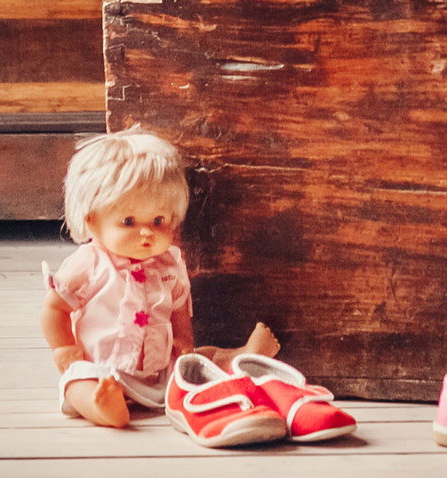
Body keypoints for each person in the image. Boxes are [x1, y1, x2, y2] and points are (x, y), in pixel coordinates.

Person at [40, 127, 283, 431]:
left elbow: (179, 307)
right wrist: (62, 347)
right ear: (92, 219)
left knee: (198, 359)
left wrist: (184, 339)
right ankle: (102, 405)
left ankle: (241, 356)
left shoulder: (169, 265)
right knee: (76, 381)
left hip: (160, 372)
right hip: (102, 369)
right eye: (128, 221)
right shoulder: (89, 265)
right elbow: (54, 308)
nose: (147, 232)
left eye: (158, 220)